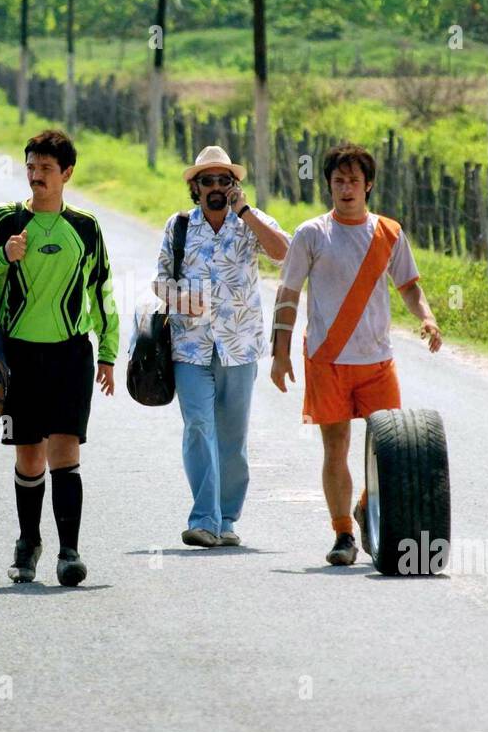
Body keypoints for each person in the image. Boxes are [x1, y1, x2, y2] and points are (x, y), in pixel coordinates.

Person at [270, 143, 442, 566]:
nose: (346, 189)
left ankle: (367, 507)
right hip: (327, 360)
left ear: (369, 186)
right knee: (336, 447)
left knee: (390, 450)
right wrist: (280, 352)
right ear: (329, 185)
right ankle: (343, 534)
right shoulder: (312, 233)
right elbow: (288, 293)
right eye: (338, 181)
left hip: (377, 361)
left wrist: (428, 317)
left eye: (354, 181)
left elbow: (409, 286)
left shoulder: (389, 233)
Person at [0, 130, 117, 586]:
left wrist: (107, 353)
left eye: (46, 169)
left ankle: (70, 551)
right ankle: (28, 543)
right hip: (20, 356)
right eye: (31, 167)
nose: (36, 176)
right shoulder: (4, 219)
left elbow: (102, 290)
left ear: (67, 173)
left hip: (71, 355)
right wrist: (3, 257)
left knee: (65, 452)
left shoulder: (86, 227)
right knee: (29, 457)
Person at [153, 145, 289, 548]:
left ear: (235, 186)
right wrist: (181, 299)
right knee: (198, 426)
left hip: (239, 345)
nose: (215, 187)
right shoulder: (178, 226)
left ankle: (227, 518)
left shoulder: (250, 223)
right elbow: (159, 281)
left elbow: (284, 253)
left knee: (232, 436)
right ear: (195, 187)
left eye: (224, 180)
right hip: (190, 347)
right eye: (207, 180)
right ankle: (204, 518)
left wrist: (246, 212)